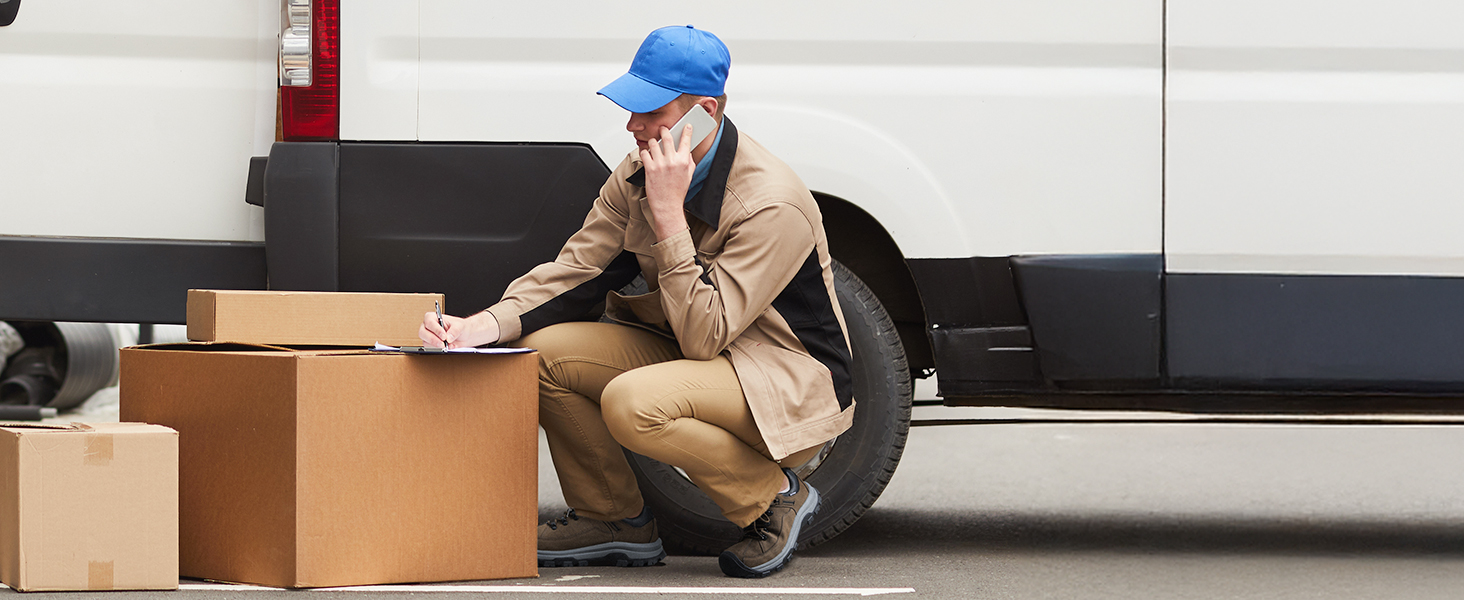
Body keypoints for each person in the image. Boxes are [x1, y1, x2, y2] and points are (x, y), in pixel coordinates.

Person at [419, 25, 854, 579]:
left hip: (786, 378)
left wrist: (669, 216)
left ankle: (773, 497)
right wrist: (481, 325)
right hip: (699, 353)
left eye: (652, 111)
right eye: (631, 107)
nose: (633, 125)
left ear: (706, 112)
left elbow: (704, 335)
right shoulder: (635, 177)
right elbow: (577, 270)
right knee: (538, 353)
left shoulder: (770, 204)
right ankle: (613, 519)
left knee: (632, 402)